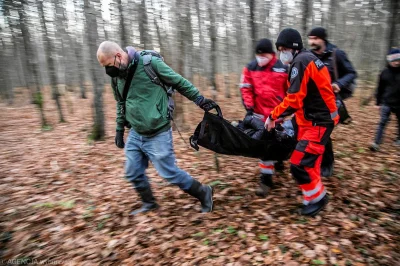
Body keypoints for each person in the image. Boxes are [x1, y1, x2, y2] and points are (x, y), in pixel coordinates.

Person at [96, 41, 217, 215]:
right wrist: (119, 129)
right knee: (132, 172)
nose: (108, 71)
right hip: (136, 133)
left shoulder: (149, 64)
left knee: (169, 173)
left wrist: (199, 99)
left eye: (108, 65)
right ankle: (149, 203)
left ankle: (203, 192)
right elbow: (120, 103)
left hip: (158, 131)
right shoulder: (116, 78)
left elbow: (178, 81)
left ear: (118, 56)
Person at [265, 28, 339, 216]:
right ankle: (311, 197)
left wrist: (273, 116)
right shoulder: (307, 59)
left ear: (293, 47)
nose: (282, 53)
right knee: (310, 162)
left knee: (299, 164)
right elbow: (305, 96)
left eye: (284, 49)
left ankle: (318, 198)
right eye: (279, 49)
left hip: (319, 122)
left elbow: (295, 99)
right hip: (314, 119)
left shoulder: (301, 62)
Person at [239, 38, 289, 197]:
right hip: (259, 116)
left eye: (264, 55)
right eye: (258, 54)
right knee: (264, 147)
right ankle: (266, 180)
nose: (260, 57)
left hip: (278, 114)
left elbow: (290, 90)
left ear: (272, 54)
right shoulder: (250, 68)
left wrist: (287, 109)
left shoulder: (283, 68)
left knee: (279, 141)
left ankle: (279, 161)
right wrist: (249, 107)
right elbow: (245, 89)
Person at [307, 27, 357, 177]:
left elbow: (351, 73)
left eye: (315, 38)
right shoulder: (308, 55)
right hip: (313, 102)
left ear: (323, 39)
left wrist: (339, 84)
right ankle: (314, 160)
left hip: (331, 103)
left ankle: (327, 165)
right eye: (310, 38)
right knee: (317, 132)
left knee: (324, 132)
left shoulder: (336, 54)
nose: (312, 41)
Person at [370, 48, 400, 151]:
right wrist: (377, 103)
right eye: (394, 60)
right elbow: (380, 88)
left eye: (398, 60)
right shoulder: (384, 72)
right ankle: (376, 142)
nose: (396, 62)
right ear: (389, 60)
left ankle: (399, 139)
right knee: (382, 122)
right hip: (386, 102)